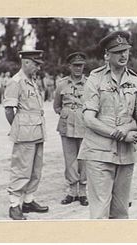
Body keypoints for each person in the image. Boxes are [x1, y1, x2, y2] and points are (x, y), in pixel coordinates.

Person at [77, 31, 137, 219]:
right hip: (99, 154)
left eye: (126, 51)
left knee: (121, 213)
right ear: (107, 55)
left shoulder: (134, 80)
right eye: (118, 52)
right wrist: (121, 134)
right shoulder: (95, 79)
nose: (123, 55)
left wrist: (126, 129)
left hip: (126, 155)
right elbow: (89, 119)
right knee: (100, 212)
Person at [3, 49, 49, 220]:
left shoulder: (31, 81)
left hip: (37, 131)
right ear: (27, 62)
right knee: (21, 169)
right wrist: (19, 127)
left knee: (36, 169)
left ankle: (28, 201)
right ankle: (14, 205)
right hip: (25, 132)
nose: (38, 67)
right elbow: (9, 110)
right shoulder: (16, 82)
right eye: (36, 64)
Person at [53, 52, 88, 206]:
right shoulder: (62, 84)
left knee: (84, 159)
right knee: (69, 159)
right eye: (75, 66)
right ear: (69, 67)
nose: (78, 68)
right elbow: (57, 106)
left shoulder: (89, 84)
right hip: (67, 126)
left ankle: (83, 191)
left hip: (84, 125)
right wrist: (66, 114)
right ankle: (72, 191)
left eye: (80, 65)